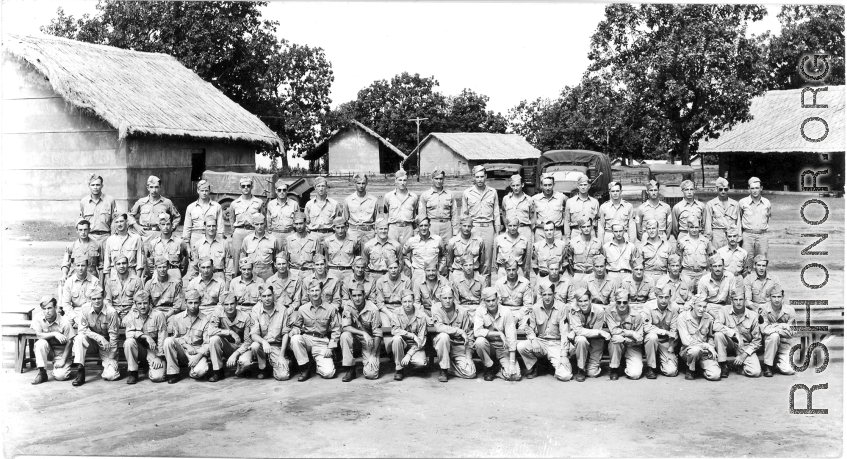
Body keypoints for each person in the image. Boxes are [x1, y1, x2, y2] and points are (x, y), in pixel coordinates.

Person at [517, 284, 572, 381]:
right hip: (541, 341)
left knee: (565, 376)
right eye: (544, 294)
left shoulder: (562, 307)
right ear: (541, 295)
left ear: (554, 294)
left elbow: (564, 332)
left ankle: (551, 366)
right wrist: (533, 340)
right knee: (521, 346)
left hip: (557, 343)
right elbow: (529, 327)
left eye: (549, 294)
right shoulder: (535, 308)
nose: (547, 297)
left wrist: (563, 355)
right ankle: (537, 366)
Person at [290, 279, 342, 381]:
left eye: (317, 290)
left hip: (321, 342)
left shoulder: (330, 309)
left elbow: (336, 330)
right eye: (312, 291)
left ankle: (318, 366)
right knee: (295, 339)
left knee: (329, 373)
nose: (315, 293)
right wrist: (294, 331)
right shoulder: (302, 309)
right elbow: (297, 326)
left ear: (321, 292)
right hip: (307, 339)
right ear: (308, 292)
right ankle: (305, 368)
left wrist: (330, 348)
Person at [71, 289, 120, 386]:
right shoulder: (85, 309)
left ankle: (107, 367)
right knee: (79, 338)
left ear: (103, 299)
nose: (97, 301)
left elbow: (114, 336)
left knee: (111, 376)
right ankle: (80, 370)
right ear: (90, 299)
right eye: (94, 299)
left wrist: (111, 357)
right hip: (91, 343)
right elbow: (82, 330)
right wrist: (100, 338)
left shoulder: (111, 312)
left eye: (99, 298)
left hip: (106, 346)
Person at [462, 165, 500, 285]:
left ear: (486, 177)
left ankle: (486, 289)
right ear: (474, 177)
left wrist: (497, 232)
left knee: (487, 261)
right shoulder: (467, 193)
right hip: (474, 229)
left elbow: (496, 213)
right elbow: (464, 214)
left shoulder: (492, 192)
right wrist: (464, 232)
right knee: (473, 258)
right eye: (477, 177)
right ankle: (473, 289)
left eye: (482, 177)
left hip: (488, 228)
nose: (479, 179)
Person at [163, 289, 211, 384]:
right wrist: (186, 345)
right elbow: (175, 337)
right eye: (190, 303)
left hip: (197, 352)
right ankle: (173, 373)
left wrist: (197, 357)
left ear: (200, 302)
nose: (193, 306)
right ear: (185, 302)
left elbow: (207, 343)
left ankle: (192, 370)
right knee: (168, 341)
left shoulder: (206, 320)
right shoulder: (177, 318)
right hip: (182, 350)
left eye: (196, 303)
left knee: (199, 372)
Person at [713, 286, 762, 378]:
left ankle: (738, 368)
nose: (738, 302)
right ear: (731, 300)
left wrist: (744, 355)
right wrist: (733, 333)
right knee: (718, 334)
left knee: (755, 372)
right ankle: (723, 364)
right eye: (736, 300)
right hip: (729, 343)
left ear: (745, 300)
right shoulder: (724, 310)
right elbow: (716, 325)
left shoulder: (753, 315)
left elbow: (757, 341)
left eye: (741, 299)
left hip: (744, 346)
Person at [473, 287, 521, 381]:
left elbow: (511, 338)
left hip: (503, 348)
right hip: (489, 347)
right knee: (479, 342)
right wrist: (498, 333)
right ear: (484, 301)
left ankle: (497, 368)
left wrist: (511, 363)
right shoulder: (480, 310)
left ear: (498, 299)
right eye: (488, 301)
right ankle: (489, 366)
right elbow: (477, 331)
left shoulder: (506, 312)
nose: (491, 303)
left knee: (515, 376)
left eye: (493, 300)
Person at [431, 288, 476, 382]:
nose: (447, 301)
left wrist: (469, 356)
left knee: (470, 373)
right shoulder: (435, 308)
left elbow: (469, 334)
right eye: (445, 298)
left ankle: (447, 364)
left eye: (450, 298)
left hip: (458, 346)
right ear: (440, 298)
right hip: (442, 345)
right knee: (444, 336)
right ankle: (444, 370)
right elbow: (439, 327)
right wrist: (459, 331)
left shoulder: (462, 311)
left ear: (454, 298)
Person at [122, 290, 168, 384]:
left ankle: (147, 366)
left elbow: (162, 338)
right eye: (139, 303)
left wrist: (159, 357)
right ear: (135, 304)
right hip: (139, 349)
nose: (142, 306)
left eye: (145, 303)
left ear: (150, 303)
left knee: (158, 377)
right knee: (129, 342)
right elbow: (129, 334)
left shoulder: (158, 315)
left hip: (154, 350)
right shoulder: (131, 316)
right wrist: (146, 336)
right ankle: (133, 372)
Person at [206, 292, 253, 382]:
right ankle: (218, 371)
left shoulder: (245, 317)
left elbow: (248, 342)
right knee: (214, 339)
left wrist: (235, 354)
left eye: (232, 304)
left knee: (245, 362)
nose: (229, 307)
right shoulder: (218, 313)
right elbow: (210, 331)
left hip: (241, 348)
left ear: (236, 304)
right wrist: (230, 332)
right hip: (227, 346)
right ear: (223, 305)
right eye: (226, 304)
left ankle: (242, 369)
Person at [339, 286, 383, 382]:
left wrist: (373, 355)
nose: (357, 298)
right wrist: (363, 333)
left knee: (371, 374)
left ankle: (370, 360)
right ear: (350, 296)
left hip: (369, 341)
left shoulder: (373, 309)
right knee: (345, 336)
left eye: (359, 295)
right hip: (355, 338)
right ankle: (350, 369)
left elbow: (378, 334)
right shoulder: (348, 306)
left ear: (364, 295)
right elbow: (345, 326)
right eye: (354, 295)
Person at [248, 285, 293, 380]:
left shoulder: (282, 309)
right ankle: (262, 368)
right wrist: (264, 342)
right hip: (262, 345)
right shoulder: (255, 310)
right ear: (260, 297)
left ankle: (274, 365)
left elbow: (285, 333)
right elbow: (253, 335)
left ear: (274, 296)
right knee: (255, 345)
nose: (267, 299)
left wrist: (281, 355)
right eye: (264, 296)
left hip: (277, 346)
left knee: (283, 376)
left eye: (269, 295)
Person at [384, 289, 428, 381]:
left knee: (421, 363)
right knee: (397, 338)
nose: (407, 304)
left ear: (413, 301)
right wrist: (412, 335)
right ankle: (399, 369)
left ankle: (404, 362)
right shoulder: (396, 312)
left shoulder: (421, 316)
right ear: (401, 302)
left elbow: (421, 340)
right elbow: (395, 330)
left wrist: (409, 355)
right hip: (401, 344)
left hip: (415, 346)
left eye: (409, 301)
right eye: (405, 302)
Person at [30, 295, 75, 385]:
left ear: (55, 307)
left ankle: (61, 367)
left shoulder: (65, 322)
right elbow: (39, 335)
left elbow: (70, 342)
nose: (47, 312)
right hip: (48, 350)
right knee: (40, 343)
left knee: (61, 376)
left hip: (61, 352)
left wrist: (62, 360)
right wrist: (54, 334)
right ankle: (42, 373)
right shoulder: (38, 317)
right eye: (44, 309)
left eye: (50, 308)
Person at [569, 288, 610, 381]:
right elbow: (579, 331)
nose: (583, 304)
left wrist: (597, 332)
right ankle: (581, 368)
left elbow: (595, 332)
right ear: (577, 302)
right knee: (581, 339)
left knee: (592, 373)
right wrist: (600, 332)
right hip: (581, 341)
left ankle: (589, 361)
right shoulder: (573, 309)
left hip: (595, 341)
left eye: (585, 301)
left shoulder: (599, 310)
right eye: (580, 301)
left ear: (590, 300)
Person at [677, 296, 721, 381]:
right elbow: (686, 341)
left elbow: (710, 337)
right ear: (693, 305)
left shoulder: (708, 318)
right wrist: (706, 346)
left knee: (715, 375)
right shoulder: (683, 317)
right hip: (688, 351)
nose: (702, 309)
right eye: (699, 306)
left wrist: (711, 347)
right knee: (695, 350)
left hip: (705, 353)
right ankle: (690, 369)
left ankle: (699, 368)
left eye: (704, 307)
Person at [128, 175, 181, 244]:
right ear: (148, 188)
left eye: (156, 187)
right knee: (145, 254)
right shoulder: (141, 202)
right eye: (151, 187)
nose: (154, 190)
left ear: (160, 188)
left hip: (160, 235)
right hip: (145, 235)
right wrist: (136, 226)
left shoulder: (167, 202)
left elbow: (177, 216)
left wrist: (171, 228)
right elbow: (129, 215)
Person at [605, 289, 645, 380]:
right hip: (618, 344)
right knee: (615, 338)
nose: (622, 305)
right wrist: (631, 333)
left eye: (624, 302)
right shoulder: (609, 311)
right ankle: (614, 368)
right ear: (615, 301)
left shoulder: (637, 315)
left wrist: (625, 340)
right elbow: (614, 331)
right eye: (619, 302)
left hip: (632, 346)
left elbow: (640, 339)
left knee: (635, 374)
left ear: (629, 301)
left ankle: (624, 362)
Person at [642, 284, 679, 379]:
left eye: (666, 297)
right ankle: (651, 367)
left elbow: (673, 330)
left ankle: (661, 360)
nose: (663, 300)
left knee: (671, 372)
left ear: (670, 297)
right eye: (661, 297)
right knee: (652, 337)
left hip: (666, 341)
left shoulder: (674, 307)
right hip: (651, 340)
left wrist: (671, 347)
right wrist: (665, 332)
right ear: (656, 296)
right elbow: (646, 327)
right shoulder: (648, 306)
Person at [759, 287, 797, 377]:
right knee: (774, 336)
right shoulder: (763, 309)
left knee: (789, 370)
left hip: (784, 343)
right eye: (774, 297)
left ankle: (776, 363)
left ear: (783, 297)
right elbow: (764, 329)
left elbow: (792, 332)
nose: (776, 299)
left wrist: (773, 327)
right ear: (769, 297)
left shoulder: (790, 310)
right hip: (768, 342)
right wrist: (781, 326)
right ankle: (768, 366)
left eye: (779, 297)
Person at [229, 176, 265, 272]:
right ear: (240, 187)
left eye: (248, 186)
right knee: (236, 256)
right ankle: (236, 278)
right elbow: (231, 218)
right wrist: (234, 231)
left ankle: (253, 278)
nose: (246, 188)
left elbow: (263, 217)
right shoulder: (234, 203)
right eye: (243, 186)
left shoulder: (259, 202)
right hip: (239, 232)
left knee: (253, 255)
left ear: (252, 187)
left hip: (252, 231)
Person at [188, 215, 233, 283]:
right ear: (204, 226)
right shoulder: (198, 244)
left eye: (213, 226)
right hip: (203, 280)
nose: (211, 228)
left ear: (216, 227)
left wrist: (227, 286)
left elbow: (229, 268)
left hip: (219, 279)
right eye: (209, 226)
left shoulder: (225, 244)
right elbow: (194, 268)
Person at [144, 213, 189, 280]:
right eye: (163, 224)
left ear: (172, 225)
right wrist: (155, 273)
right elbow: (149, 263)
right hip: (158, 277)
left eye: (168, 224)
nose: (165, 227)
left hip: (174, 275)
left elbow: (184, 263)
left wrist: (177, 273)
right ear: (159, 226)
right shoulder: (153, 243)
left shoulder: (179, 242)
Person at [418, 168, 458, 243]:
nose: (439, 181)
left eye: (441, 179)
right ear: (432, 179)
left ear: (444, 179)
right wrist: (423, 230)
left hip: (447, 226)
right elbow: (422, 215)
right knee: (432, 249)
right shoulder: (425, 195)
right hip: (432, 226)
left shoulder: (450, 194)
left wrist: (455, 231)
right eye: (436, 178)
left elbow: (454, 214)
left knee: (448, 249)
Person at [182, 179, 224, 251]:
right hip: (196, 237)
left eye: (206, 190)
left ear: (209, 191)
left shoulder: (217, 207)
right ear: (198, 191)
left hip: (212, 237)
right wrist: (187, 244)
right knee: (195, 260)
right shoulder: (191, 207)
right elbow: (187, 227)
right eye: (202, 191)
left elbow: (220, 226)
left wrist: (220, 241)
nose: (204, 193)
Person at [60, 257, 102, 327]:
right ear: (74, 267)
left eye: (83, 265)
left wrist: (83, 318)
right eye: (78, 265)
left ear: (87, 266)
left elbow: (97, 303)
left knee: (95, 323)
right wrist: (75, 317)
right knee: (64, 323)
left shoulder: (95, 281)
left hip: (90, 312)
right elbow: (66, 304)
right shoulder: (69, 282)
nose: (80, 268)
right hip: (74, 311)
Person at [79, 174, 116, 250]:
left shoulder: (110, 200)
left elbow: (114, 221)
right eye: (93, 185)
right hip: (90, 238)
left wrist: (113, 239)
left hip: (106, 238)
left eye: (98, 185)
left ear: (102, 186)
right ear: (89, 186)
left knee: (107, 261)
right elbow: (82, 223)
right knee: (91, 261)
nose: (95, 187)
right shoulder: (84, 202)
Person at [374, 253, 412, 327]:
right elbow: (380, 303)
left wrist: (399, 314)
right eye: (391, 268)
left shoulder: (406, 280)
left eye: (395, 268)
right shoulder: (380, 281)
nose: (393, 270)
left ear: (399, 267)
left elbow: (408, 300)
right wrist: (390, 314)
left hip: (402, 309)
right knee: (386, 326)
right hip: (386, 310)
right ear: (387, 268)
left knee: (404, 325)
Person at [103, 213, 145, 280]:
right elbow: (106, 264)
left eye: (121, 221)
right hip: (114, 275)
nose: (119, 224)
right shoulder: (110, 240)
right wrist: (108, 281)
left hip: (131, 274)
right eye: (117, 222)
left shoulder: (136, 238)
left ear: (127, 222)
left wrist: (137, 280)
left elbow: (140, 264)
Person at [444, 217, 486, 283]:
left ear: (472, 227)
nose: (466, 228)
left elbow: (482, 260)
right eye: (464, 226)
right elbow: (449, 260)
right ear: (460, 226)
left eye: (469, 226)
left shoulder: (479, 241)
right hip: (458, 271)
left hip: (474, 271)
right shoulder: (452, 242)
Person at [402, 217, 444, 283]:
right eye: (421, 226)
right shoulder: (412, 241)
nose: (423, 228)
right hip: (418, 272)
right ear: (417, 227)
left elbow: (443, 255)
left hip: (432, 273)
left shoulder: (437, 239)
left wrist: (440, 269)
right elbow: (403, 255)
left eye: (426, 225)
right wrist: (410, 266)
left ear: (429, 226)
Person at [239, 212, 279, 282]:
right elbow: (243, 257)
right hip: (252, 271)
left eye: (261, 224)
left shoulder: (273, 240)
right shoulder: (247, 240)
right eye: (257, 224)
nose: (259, 227)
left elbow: (277, 258)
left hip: (267, 271)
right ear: (253, 225)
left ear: (265, 224)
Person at [675, 215, 714, 285]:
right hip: (687, 273)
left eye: (696, 227)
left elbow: (710, 258)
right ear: (688, 228)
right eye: (691, 227)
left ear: (700, 227)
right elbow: (678, 258)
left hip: (702, 273)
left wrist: (708, 272)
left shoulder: (706, 241)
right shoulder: (682, 241)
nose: (694, 230)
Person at [384, 170, 419, 248]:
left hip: (408, 228)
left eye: (404, 180)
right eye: (400, 180)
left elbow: (415, 215)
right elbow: (385, 215)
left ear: (407, 181)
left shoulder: (413, 197)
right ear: (395, 181)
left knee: (407, 253)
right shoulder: (388, 196)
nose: (402, 183)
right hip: (393, 229)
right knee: (391, 252)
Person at [739, 176, 771, 258]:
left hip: (762, 236)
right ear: (749, 189)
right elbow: (739, 220)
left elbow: (767, 219)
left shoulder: (767, 202)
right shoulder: (742, 202)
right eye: (752, 188)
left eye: (757, 188)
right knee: (747, 261)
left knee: (761, 261)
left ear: (761, 188)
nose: (755, 191)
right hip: (747, 235)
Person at [362, 218, 403, 283]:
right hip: (373, 277)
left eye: (385, 229)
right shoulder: (368, 245)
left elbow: (400, 264)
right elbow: (364, 264)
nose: (383, 231)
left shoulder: (396, 245)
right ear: (376, 230)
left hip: (390, 277)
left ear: (388, 230)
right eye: (380, 229)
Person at [60, 219, 101, 283]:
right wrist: (64, 274)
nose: (83, 232)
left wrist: (101, 282)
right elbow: (65, 264)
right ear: (77, 231)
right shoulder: (71, 247)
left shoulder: (97, 245)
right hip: (76, 279)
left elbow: (102, 266)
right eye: (80, 230)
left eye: (85, 229)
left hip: (92, 279)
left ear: (89, 230)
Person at [704, 177, 741, 249]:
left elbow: (738, 223)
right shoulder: (710, 204)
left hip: (731, 236)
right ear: (716, 188)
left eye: (725, 189)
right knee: (717, 258)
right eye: (720, 189)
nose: (723, 191)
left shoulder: (735, 204)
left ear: (728, 189)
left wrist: (738, 239)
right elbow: (708, 224)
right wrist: (709, 242)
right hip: (717, 236)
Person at [343, 173, 379, 247]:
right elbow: (345, 220)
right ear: (354, 183)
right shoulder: (348, 200)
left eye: (363, 183)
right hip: (353, 233)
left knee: (369, 255)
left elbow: (377, 220)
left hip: (368, 233)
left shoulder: (373, 200)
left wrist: (375, 234)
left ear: (366, 183)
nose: (361, 186)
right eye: (358, 183)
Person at [305, 176, 343, 243]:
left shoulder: (334, 204)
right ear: (315, 188)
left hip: (329, 235)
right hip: (314, 235)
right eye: (318, 186)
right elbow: (306, 222)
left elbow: (339, 222)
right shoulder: (309, 204)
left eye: (323, 186)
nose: (321, 189)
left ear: (326, 187)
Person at [501, 174, 535, 246]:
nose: (515, 188)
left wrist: (530, 230)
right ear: (511, 186)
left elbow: (533, 217)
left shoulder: (529, 200)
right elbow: (503, 213)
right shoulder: (506, 199)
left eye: (517, 185)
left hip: (524, 229)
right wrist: (507, 226)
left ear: (522, 185)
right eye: (513, 185)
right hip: (510, 230)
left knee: (527, 254)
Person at [561, 173, 598, 240]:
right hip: (576, 232)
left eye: (585, 185)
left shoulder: (595, 202)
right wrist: (568, 238)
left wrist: (598, 238)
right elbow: (567, 221)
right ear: (578, 186)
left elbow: (598, 222)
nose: (583, 187)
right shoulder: (570, 202)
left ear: (589, 186)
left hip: (591, 233)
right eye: (581, 185)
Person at [603, 221, 641, 285]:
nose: (618, 234)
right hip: (612, 276)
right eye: (616, 231)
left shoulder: (631, 246)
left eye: (620, 231)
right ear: (612, 232)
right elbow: (602, 264)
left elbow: (637, 264)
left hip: (628, 275)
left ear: (624, 231)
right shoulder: (606, 247)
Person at [568, 217, 603, 285]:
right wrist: (573, 275)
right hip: (579, 275)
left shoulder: (598, 242)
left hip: (593, 275)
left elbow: (601, 260)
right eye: (583, 227)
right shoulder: (573, 243)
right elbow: (569, 261)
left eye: (588, 226)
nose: (586, 229)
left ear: (592, 227)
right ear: (580, 228)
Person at [286, 211, 319, 280]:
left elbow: (318, 260)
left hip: (309, 272)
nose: (299, 226)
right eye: (296, 224)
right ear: (294, 224)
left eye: (301, 223)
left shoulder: (314, 239)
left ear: (305, 223)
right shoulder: (289, 240)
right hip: (294, 272)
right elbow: (286, 260)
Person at [267, 179, 299, 245]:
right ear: (276, 191)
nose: (282, 192)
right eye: (279, 190)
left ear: (287, 191)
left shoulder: (294, 204)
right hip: (275, 235)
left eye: (284, 190)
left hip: (290, 234)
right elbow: (268, 222)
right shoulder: (271, 204)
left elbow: (298, 221)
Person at [640, 219, 672, 284]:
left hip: (663, 277)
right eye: (649, 229)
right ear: (646, 230)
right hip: (647, 277)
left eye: (653, 228)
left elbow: (672, 265)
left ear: (658, 229)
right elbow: (638, 266)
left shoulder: (667, 245)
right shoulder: (641, 247)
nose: (651, 231)